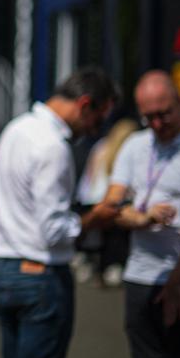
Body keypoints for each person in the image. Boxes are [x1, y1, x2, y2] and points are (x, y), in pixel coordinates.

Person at [0, 67, 119, 358]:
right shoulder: (53, 147)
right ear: (85, 104)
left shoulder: (16, 129)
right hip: (41, 277)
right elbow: (55, 229)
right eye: (97, 121)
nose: (94, 131)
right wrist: (96, 218)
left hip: (5, 269)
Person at [98, 70, 180, 358]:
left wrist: (177, 281)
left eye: (164, 113)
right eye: (149, 116)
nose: (157, 123)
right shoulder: (135, 145)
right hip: (141, 278)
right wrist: (141, 218)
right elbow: (112, 206)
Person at [72, 118, 137, 287]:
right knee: (114, 234)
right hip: (108, 199)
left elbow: (90, 174)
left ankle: (89, 261)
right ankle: (111, 267)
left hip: (89, 197)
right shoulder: (127, 151)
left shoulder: (100, 145)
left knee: (94, 233)